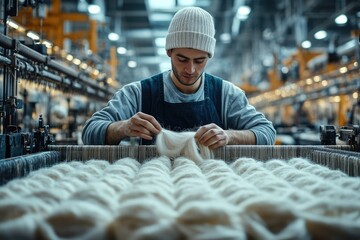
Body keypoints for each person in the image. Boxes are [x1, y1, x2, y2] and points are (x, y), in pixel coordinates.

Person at [82, 7, 276, 149]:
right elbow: (89, 132)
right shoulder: (138, 94)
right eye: (182, 59)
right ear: (169, 51)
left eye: (199, 60)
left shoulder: (226, 95)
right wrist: (123, 127)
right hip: (154, 186)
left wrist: (228, 136)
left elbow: (267, 133)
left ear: (209, 56)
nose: (190, 69)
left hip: (212, 189)